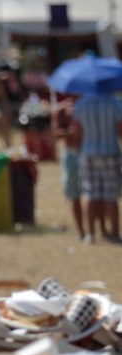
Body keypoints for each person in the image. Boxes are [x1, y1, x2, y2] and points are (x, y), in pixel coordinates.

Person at [71, 91, 122, 244]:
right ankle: (114, 234)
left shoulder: (81, 104)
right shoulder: (115, 102)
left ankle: (90, 234)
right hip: (110, 152)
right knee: (111, 195)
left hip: (88, 152)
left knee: (90, 193)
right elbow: (120, 129)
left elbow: (77, 132)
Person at [52, 96, 85, 242]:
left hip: (88, 153)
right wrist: (70, 132)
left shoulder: (87, 107)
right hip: (71, 154)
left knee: (95, 196)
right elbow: (55, 134)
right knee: (74, 194)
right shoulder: (60, 109)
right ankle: (81, 231)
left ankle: (96, 229)